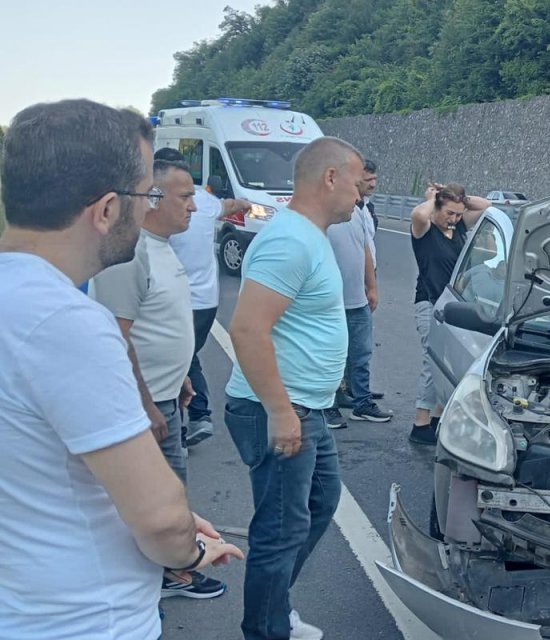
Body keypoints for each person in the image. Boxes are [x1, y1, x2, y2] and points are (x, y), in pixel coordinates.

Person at [0, 99, 242, 639]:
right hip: (82, 622)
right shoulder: (67, 321)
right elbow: (158, 517)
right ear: (107, 209)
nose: (149, 207)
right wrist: (191, 546)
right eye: (146, 194)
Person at [223, 136, 364, 640]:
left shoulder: (308, 235)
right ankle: (265, 629)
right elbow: (247, 329)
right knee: (280, 531)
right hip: (279, 409)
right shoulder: (289, 239)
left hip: (307, 408)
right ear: (330, 178)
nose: (359, 193)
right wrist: (281, 413)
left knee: (319, 505)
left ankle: (275, 610)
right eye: (355, 180)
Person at [90, 155, 229, 600]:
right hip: (141, 406)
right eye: (186, 196)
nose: (193, 206)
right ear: (151, 198)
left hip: (165, 396)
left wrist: (182, 375)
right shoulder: (131, 255)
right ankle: (149, 584)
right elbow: (115, 337)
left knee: (170, 493)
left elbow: (160, 325)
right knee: (148, 503)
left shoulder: (162, 246)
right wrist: (146, 403)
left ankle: (170, 572)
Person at [161, 146, 250, 447]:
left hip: (177, 301)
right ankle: (198, 416)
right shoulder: (205, 200)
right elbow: (230, 206)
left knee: (176, 360)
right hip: (206, 302)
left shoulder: (160, 209)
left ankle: (183, 427)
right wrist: (247, 204)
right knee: (186, 357)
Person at [408, 181, 491, 446]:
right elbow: (419, 215)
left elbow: (486, 206)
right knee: (430, 362)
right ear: (437, 209)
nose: (454, 219)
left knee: (449, 360)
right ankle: (420, 423)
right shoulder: (425, 230)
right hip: (429, 302)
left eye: (458, 214)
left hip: (452, 303)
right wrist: (433, 198)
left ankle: (437, 416)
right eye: (449, 213)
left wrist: (459, 199)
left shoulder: (457, 229)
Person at [323, 164, 391, 429]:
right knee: (331, 356)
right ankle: (328, 405)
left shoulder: (359, 211)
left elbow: (365, 250)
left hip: (357, 298)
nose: (361, 191)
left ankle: (361, 403)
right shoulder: (324, 215)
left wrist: (371, 287)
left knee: (361, 353)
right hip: (330, 301)